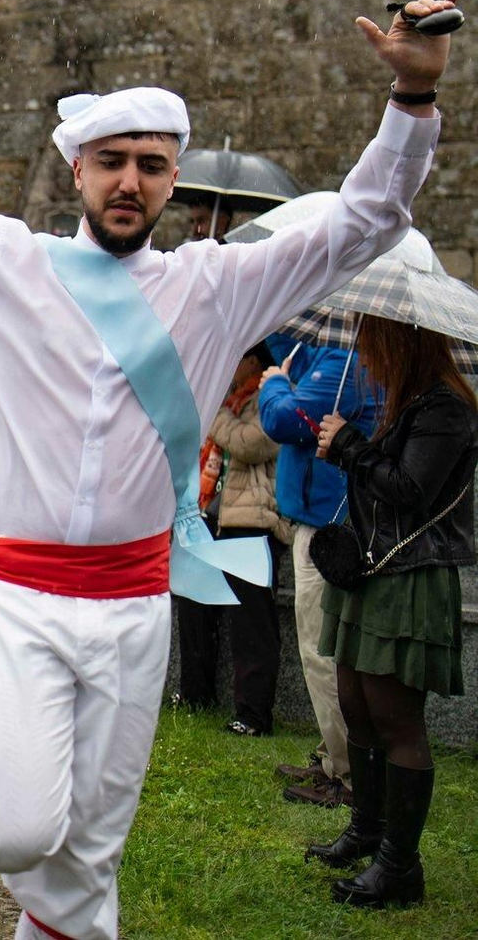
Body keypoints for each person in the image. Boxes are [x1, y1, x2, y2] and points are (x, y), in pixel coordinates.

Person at [0, 0, 454, 939]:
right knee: (10, 827)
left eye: (151, 164)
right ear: (75, 168)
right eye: (110, 159)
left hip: (129, 601)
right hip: (10, 590)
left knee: (88, 853)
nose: (129, 180)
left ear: (172, 179)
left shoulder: (215, 286)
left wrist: (410, 95)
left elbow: (365, 220)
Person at [306, 314, 474, 908]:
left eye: (371, 341)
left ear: (401, 340)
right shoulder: (408, 405)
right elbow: (380, 490)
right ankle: (368, 831)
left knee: (395, 717)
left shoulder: (445, 409)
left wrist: (351, 446)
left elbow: (409, 490)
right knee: (355, 703)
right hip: (374, 575)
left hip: (410, 580)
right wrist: (346, 451)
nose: (366, 357)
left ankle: (401, 867)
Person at [259, 342, 379, 807]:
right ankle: (337, 757)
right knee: (324, 651)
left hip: (328, 530)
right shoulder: (334, 357)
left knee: (322, 652)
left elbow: (281, 419)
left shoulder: (344, 363)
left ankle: (348, 775)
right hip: (321, 523)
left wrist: (275, 383)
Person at [173, 342, 291, 735]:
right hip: (211, 514)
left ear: (254, 361)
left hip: (252, 519)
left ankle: (254, 714)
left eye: (237, 357)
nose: (231, 366)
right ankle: (194, 692)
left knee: (251, 620)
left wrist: (215, 416)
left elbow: (252, 444)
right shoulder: (227, 401)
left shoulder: (272, 397)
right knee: (193, 603)